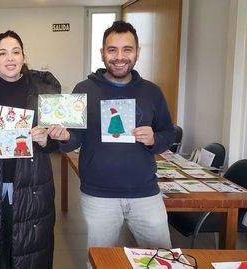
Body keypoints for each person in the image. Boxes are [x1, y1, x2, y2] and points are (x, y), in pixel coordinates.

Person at [48, 20, 174, 268]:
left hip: (146, 194)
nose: (119, 57)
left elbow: (168, 133)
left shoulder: (152, 92)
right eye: (112, 50)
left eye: (127, 49)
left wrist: (154, 139)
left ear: (137, 53)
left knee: (164, 260)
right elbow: (75, 138)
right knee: (100, 261)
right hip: (98, 195)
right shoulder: (84, 89)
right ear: (102, 53)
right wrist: (63, 138)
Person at [0, 30, 61, 269]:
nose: (10, 58)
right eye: (3, 53)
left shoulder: (44, 91)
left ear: (23, 56)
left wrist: (45, 139)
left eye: (15, 52)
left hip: (32, 184)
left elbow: (58, 143)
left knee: (28, 246)